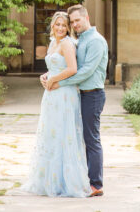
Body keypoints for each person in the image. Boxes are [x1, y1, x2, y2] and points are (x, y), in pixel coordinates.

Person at [22, 12, 91, 198]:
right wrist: (45, 75)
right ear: (52, 25)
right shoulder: (53, 43)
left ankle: (66, 182)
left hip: (64, 94)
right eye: (57, 24)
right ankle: (49, 179)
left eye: (64, 25)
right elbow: (54, 66)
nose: (60, 28)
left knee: (63, 134)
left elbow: (72, 69)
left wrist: (53, 79)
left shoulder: (67, 43)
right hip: (51, 94)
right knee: (51, 133)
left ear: (68, 28)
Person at [43, 3, 108, 197]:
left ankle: (96, 184)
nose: (75, 24)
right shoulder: (79, 40)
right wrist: (49, 76)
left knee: (91, 139)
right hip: (81, 94)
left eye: (77, 20)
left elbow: (85, 71)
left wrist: (58, 83)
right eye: (73, 22)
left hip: (93, 94)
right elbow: (65, 64)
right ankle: (80, 179)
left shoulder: (95, 40)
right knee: (77, 137)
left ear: (87, 18)